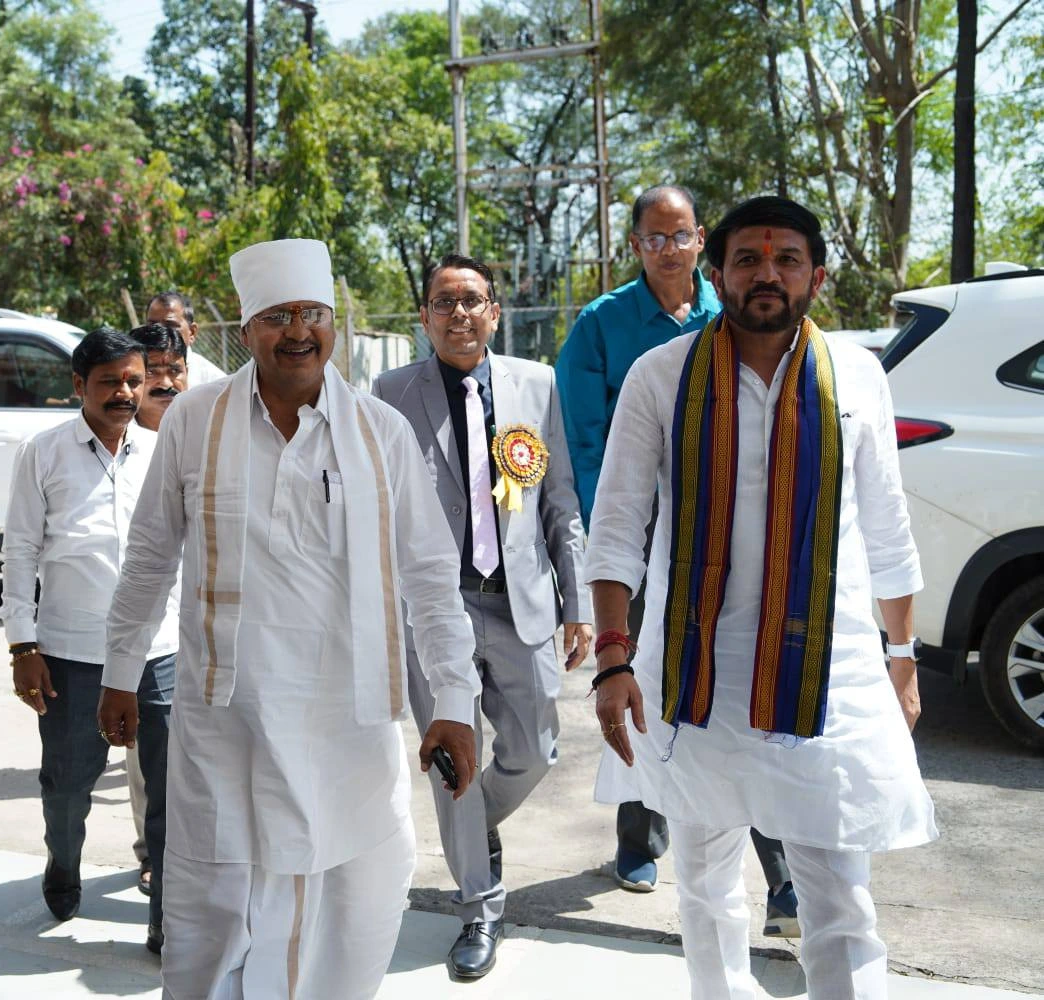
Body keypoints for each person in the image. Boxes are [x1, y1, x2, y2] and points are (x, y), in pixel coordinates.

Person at [100, 239, 480, 998]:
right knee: (216, 917)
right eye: (278, 317)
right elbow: (149, 556)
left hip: (349, 725)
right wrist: (118, 673)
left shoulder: (382, 433)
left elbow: (433, 579)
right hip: (227, 722)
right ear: (247, 329)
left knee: (353, 908)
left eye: (313, 313)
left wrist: (456, 702)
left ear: (334, 322)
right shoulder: (194, 420)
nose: (298, 331)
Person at [586, 196, 935, 999]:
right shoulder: (660, 377)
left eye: (785, 261)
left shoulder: (856, 374)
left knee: (840, 894)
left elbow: (887, 527)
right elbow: (615, 529)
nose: (766, 274)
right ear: (718, 273)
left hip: (827, 670)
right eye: (748, 260)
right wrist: (612, 659)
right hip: (693, 673)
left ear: (816, 274)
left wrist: (904, 657)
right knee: (706, 885)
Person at [559, 187, 797, 936]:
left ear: (703, 245)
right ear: (636, 247)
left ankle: (783, 877)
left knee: (753, 694)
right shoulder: (601, 327)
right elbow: (584, 439)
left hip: (738, 542)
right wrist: (619, 539)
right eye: (654, 237)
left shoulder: (731, 311)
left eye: (682, 235)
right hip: (643, 545)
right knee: (642, 684)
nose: (669, 248)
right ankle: (640, 838)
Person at [372, 253, 591, 979]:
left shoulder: (538, 383)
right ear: (425, 317)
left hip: (521, 601)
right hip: (438, 611)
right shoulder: (391, 393)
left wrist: (578, 599)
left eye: (472, 301)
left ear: (494, 311)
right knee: (451, 764)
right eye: (443, 302)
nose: (458, 314)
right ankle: (479, 907)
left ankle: (476, 827)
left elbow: (559, 501)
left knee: (534, 750)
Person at [0, 328, 178, 954]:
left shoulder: (161, 451)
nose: (126, 393)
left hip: (160, 651)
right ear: (78, 387)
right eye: (110, 383)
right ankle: (63, 865)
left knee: (170, 787)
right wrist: (24, 645)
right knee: (69, 784)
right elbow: (19, 550)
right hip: (72, 654)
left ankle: (166, 912)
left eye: (133, 380)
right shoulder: (43, 453)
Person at [120, 320, 190, 897]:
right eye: (154, 375)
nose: (165, 384)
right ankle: (152, 853)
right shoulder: (120, 447)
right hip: (149, 626)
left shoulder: (206, 431)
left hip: (205, 618)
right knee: (150, 752)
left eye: (175, 372)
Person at [145, 290, 227, 384]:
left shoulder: (215, 384)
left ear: (191, 332)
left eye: (170, 326)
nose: (160, 332)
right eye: (153, 326)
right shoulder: (136, 373)